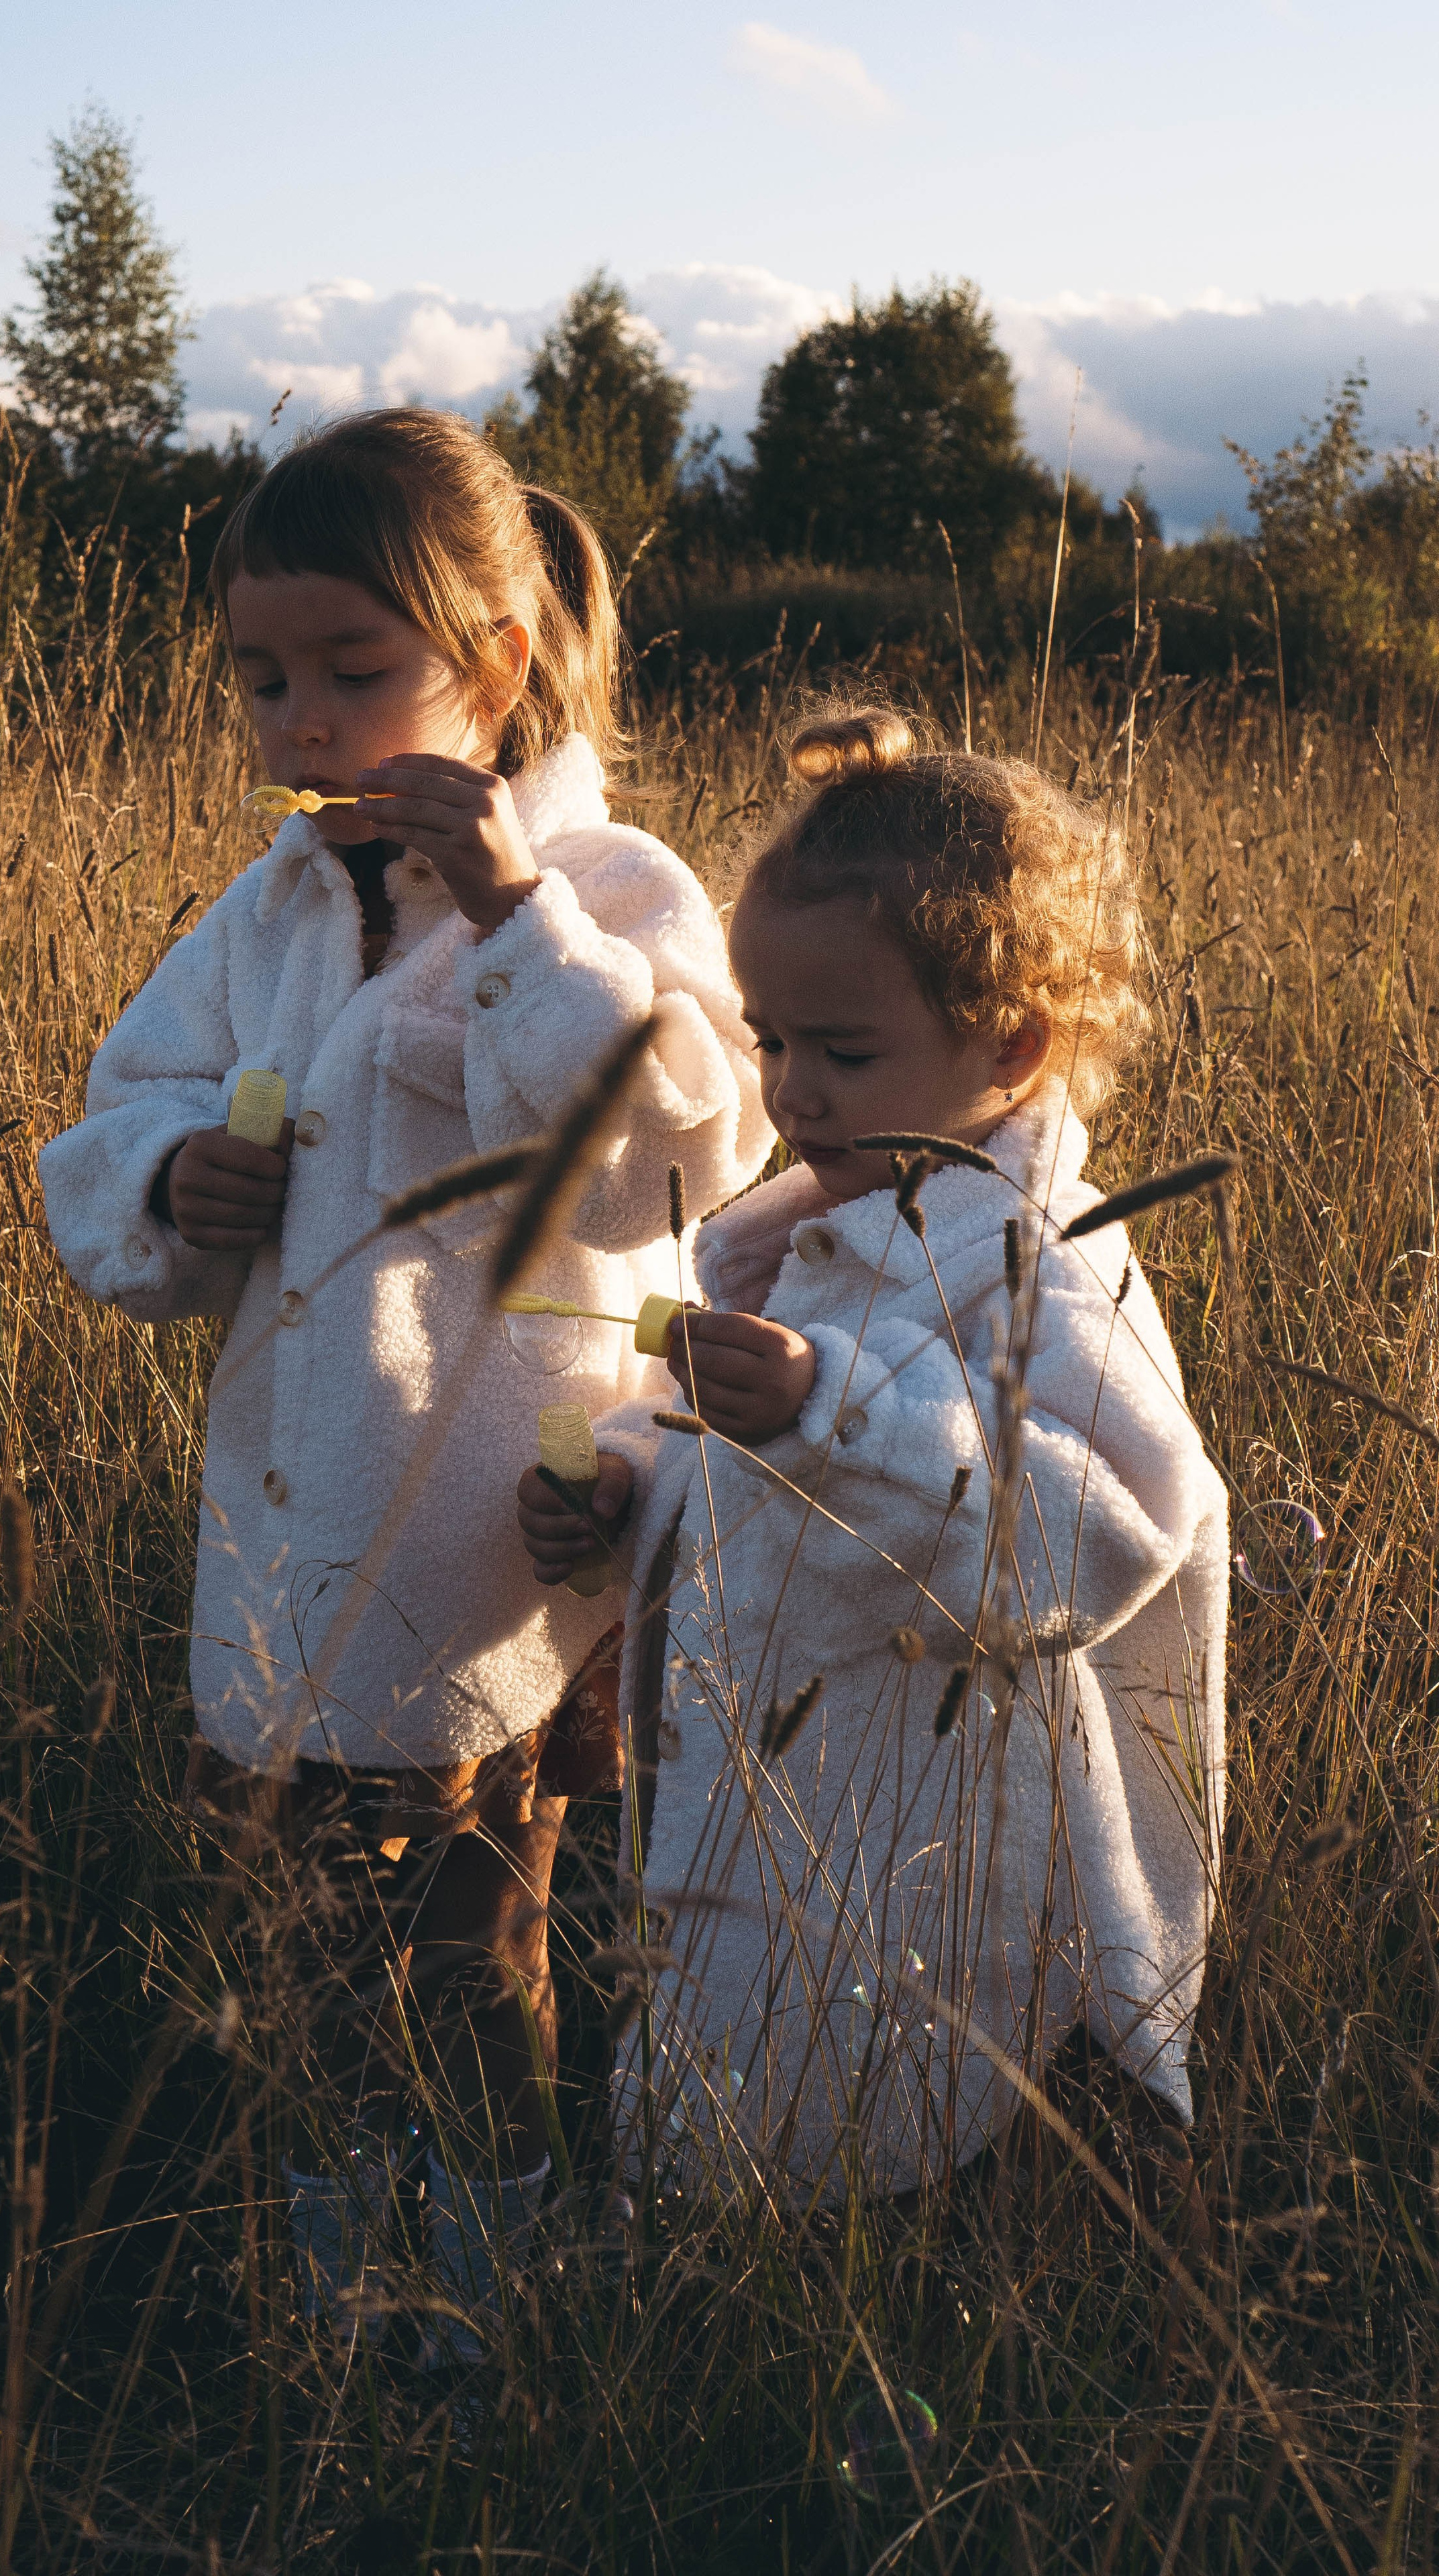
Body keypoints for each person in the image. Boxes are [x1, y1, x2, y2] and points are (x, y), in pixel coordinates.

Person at [38, 409, 771, 2341]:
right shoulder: (272, 910)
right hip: (289, 1525)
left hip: (490, 1537)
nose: (301, 723)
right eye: (263, 679)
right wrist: (172, 1179)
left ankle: (495, 2291)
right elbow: (120, 1117)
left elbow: (694, 1149)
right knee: (300, 1950)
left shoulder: (617, 887)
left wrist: (523, 918)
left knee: (473, 1941)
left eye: (357, 674)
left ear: (501, 660)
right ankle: (340, 2282)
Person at [517, 705, 1229, 2202]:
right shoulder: (815, 1237)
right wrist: (630, 1495)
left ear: (1011, 1044)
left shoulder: (1045, 1266)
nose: (790, 1093)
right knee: (751, 2099)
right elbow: (745, 1472)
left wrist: (826, 1414)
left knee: (917, 2132)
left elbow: (1107, 1530)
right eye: (770, 1042)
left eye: (842, 1049)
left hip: (946, 1843)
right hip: (782, 1808)